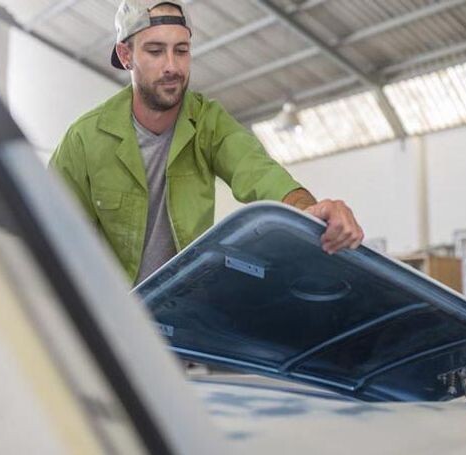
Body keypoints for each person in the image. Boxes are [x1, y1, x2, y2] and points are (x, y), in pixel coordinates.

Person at [50, 0, 364, 285]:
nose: (172, 66)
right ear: (126, 55)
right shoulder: (84, 140)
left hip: (184, 304)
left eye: (181, 50)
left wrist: (309, 209)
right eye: (155, 51)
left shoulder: (208, 122)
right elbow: (49, 227)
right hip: (110, 311)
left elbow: (259, 172)